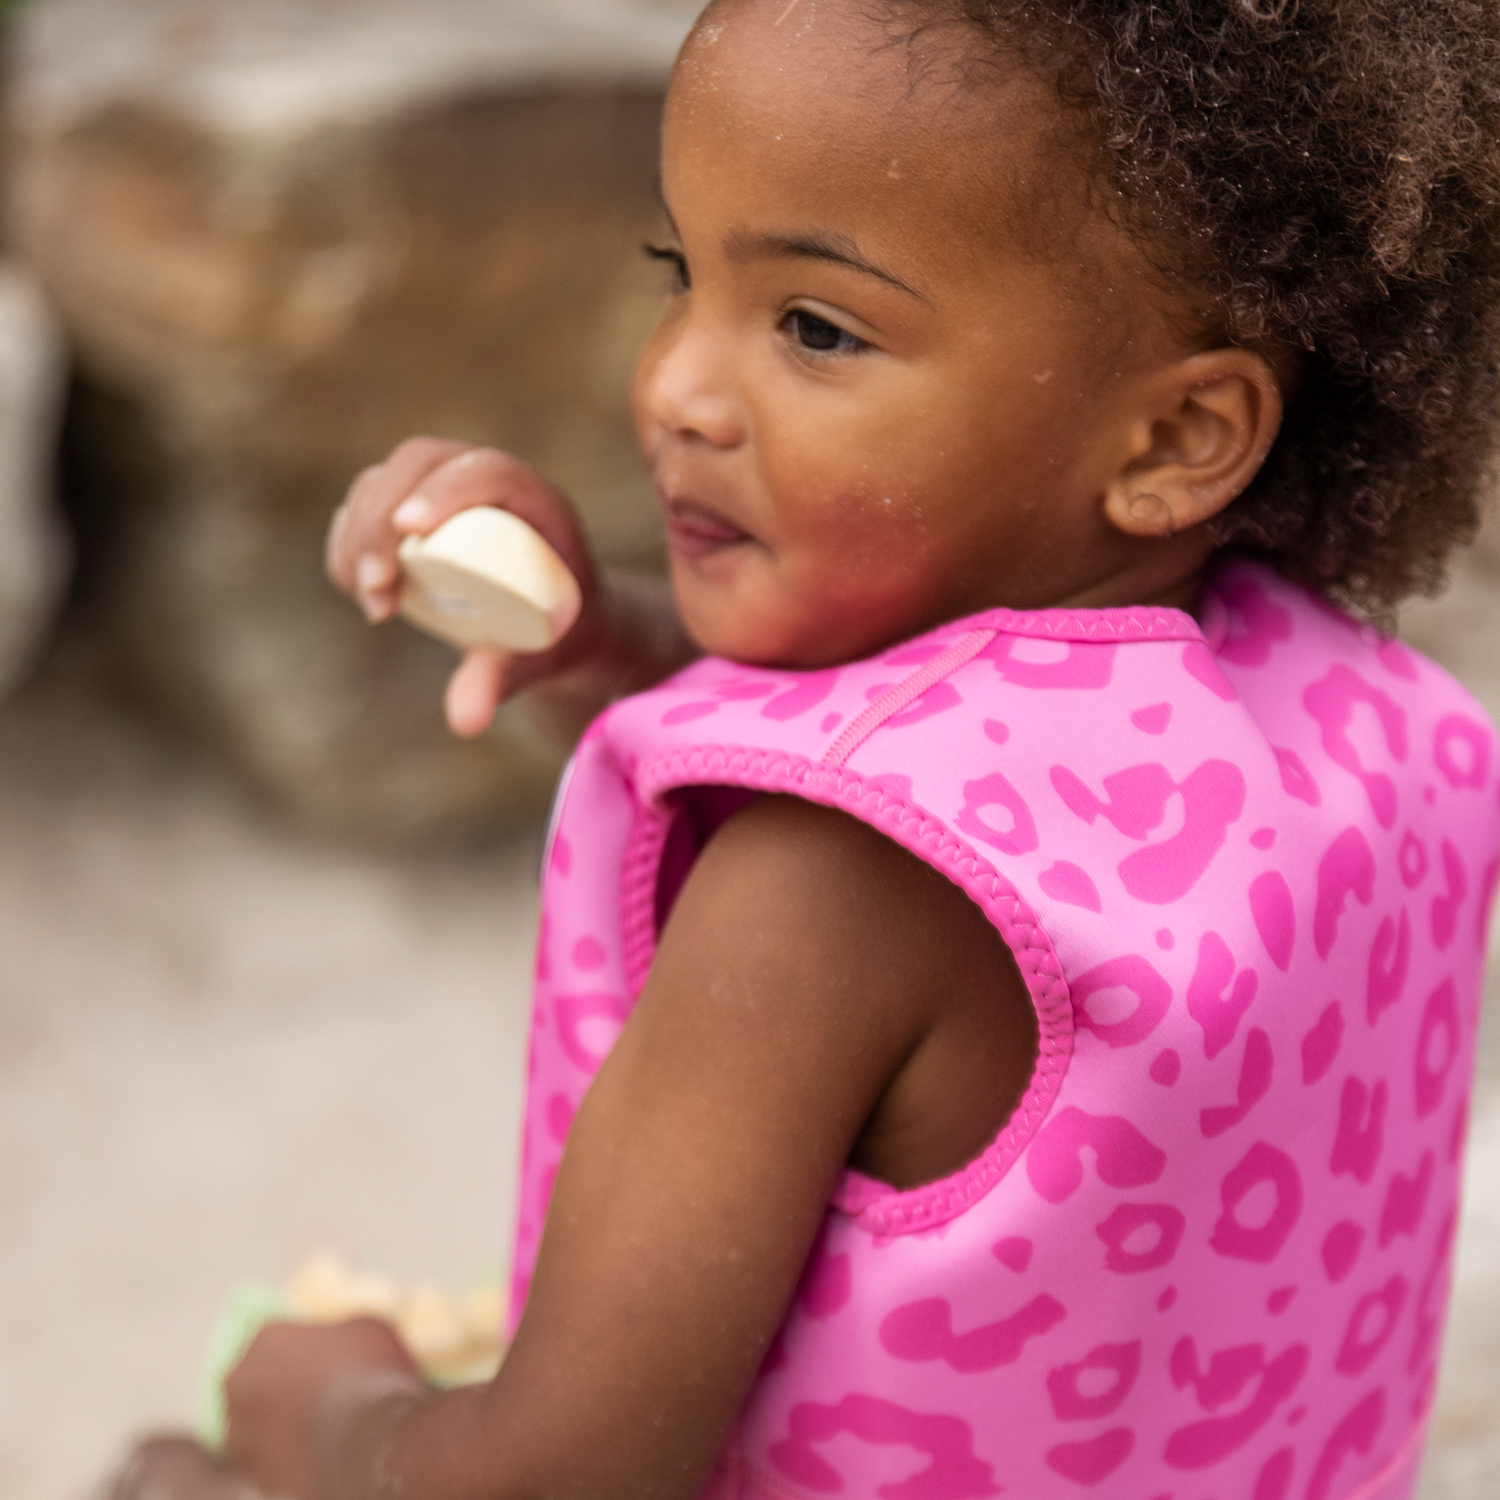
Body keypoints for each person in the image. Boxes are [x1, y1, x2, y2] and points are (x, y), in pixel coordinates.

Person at [114, 1, 1500, 1497]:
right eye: (680, 275)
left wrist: (329, 1412)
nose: (674, 390)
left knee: (174, 1473)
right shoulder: (1366, 724)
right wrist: (606, 641)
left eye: (815, 327)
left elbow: (550, 1478)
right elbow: (993, 771)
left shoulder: (823, 894)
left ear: (1174, 443)